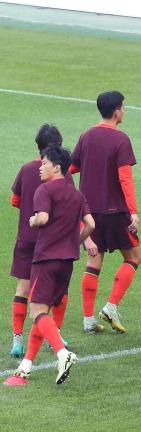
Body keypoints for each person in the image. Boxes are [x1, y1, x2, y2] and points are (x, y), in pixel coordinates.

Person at [9, 146, 93, 385]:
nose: (40, 167)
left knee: (37, 312)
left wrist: (33, 220)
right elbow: (91, 224)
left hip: (45, 260)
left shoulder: (44, 190)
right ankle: (26, 365)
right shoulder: (76, 194)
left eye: (44, 163)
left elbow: (43, 217)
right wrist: (75, 242)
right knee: (43, 313)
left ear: (57, 167)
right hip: (67, 262)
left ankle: (62, 354)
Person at [70, 90, 140, 334]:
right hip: (115, 211)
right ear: (117, 111)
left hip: (89, 212)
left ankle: (88, 319)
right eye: (123, 107)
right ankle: (111, 306)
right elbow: (125, 178)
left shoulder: (86, 135)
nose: (124, 111)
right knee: (133, 257)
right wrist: (133, 211)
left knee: (93, 262)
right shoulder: (121, 139)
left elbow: (71, 168)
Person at [9, 124, 64, 358]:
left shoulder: (26, 169)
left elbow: (15, 200)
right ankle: (55, 336)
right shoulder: (60, 174)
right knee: (56, 290)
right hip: (51, 242)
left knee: (23, 287)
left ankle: (17, 338)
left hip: (26, 238)